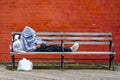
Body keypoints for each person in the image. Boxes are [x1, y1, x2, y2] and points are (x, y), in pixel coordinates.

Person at [13, 26, 79, 53]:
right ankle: (69, 50)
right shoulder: (24, 39)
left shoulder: (32, 36)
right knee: (53, 48)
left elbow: (38, 40)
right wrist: (35, 47)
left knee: (53, 47)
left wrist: (44, 43)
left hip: (41, 46)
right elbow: (27, 49)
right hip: (37, 48)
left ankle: (69, 49)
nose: (32, 35)